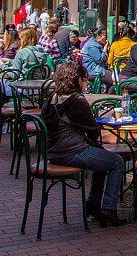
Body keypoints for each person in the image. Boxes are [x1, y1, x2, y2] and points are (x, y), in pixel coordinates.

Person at [41, 63, 128, 226]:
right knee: (116, 161)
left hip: (54, 152)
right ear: (77, 80)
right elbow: (94, 131)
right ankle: (109, 208)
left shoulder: (51, 98)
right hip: (73, 152)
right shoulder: (77, 101)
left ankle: (93, 205)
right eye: (84, 80)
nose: (86, 84)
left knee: (102, 158)